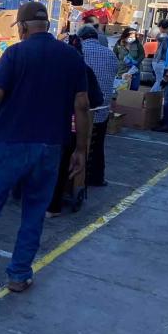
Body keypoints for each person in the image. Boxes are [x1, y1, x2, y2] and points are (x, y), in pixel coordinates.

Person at [0, 1, 90, 295]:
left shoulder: (15, 53)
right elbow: (82, 106)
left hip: (8, 144)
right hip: (51, 146)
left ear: (23, 27)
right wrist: (80, 151)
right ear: (47, 26)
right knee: (34, 210)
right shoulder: (71, 57)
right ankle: (19, 275)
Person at [47, 36, 102, 217]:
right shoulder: (83, 70)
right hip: (70, 125)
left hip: (47, 123)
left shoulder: (53, 68)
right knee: (63, 164)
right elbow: (92, 101)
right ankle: (52, 207)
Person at [77, 26, 118, 187]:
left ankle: (75, 179)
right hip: (102, 109)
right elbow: (113, 75)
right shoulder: (110, 54)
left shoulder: (78, 52)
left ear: (81, 38)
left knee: (76, 145)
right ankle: (96, 178)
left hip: (81, 110)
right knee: (98, 143)